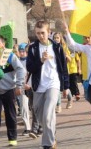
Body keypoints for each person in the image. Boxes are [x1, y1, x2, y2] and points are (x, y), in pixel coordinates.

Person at [26, 20, 69, 149]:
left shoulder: (57, 47)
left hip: (53, 83)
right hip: (39, 85)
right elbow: (30, 67)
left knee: (48, 112)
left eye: (43, 33)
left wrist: (66, 86)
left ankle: (48, 144)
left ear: (49, 32)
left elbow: (63, 67)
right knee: (39, 112)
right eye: (38, 33)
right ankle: (51, 134)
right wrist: (40, 61)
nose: (40, 36)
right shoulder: (33, 48)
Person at [0, 37, 25, 148]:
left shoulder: (10, 56)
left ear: (3, 44)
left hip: (9, 89)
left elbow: (20, 69)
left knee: (10, 114)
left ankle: (12, 138)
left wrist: (19, 85)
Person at [17, 43, 31, 136]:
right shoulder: (17, 61)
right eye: (20, 51)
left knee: (34, 107)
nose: (22, 53)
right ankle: (27, 127)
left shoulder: (30, 61)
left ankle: (38, 126)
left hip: (30, 86)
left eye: (23, 51)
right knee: (24, 107)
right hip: (22, 87)